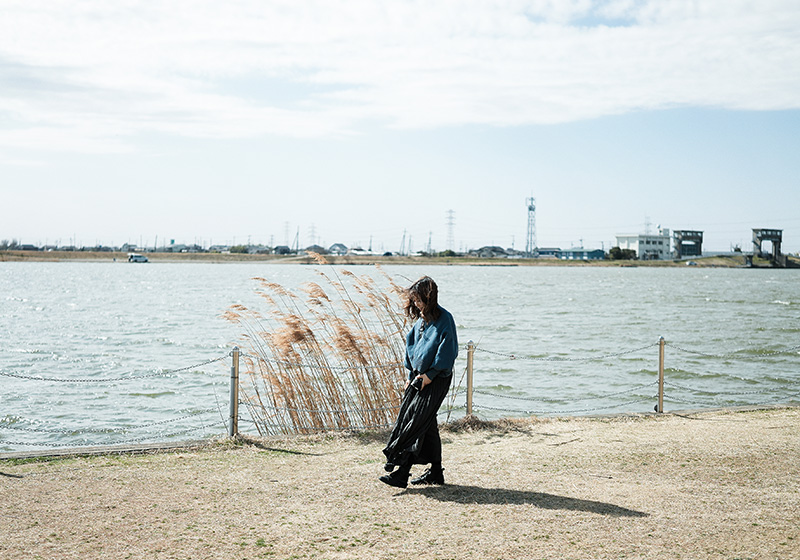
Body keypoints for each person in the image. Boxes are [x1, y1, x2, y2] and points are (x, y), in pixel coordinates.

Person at [380, 276, 458, 488]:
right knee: (427, 424)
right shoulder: (420, 322)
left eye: (418, 299)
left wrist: (430, 375)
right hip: (417, 379)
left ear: (429, 298)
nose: (415, 304)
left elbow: (447, 353)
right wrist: (410, 378)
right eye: (413, 300)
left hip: (436, 378)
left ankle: (401, 473)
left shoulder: (445, 319)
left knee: (416, 422)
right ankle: (435, 473)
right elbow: (411, 350)